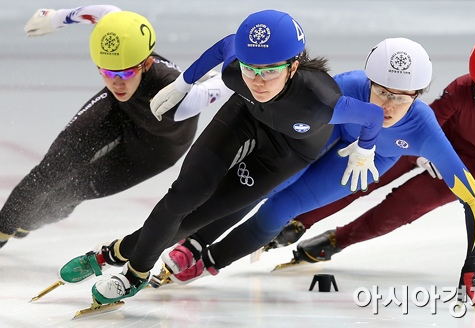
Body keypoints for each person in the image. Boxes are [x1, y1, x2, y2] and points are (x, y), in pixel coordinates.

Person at [58, 9, 385, 306]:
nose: (257, 80)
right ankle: (135, 275)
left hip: (287, 152)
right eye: (250, 69)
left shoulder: (321, 102)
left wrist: (365, 149)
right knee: (185, 193)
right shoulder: (236, 72)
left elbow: (371, 115)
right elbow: (225, 46)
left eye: (269, 71)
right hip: (246, 114)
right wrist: (183, 83)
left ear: (293, 67)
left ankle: (113, 254)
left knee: (200, 216)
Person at [155, 37, 475, 309]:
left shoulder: (424, 129)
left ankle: (212, 260)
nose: (386, 106)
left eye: (400, 98)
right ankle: (196, 240)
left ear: (419, 96)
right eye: (380, 92)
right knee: (265, 183)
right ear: (369, 82)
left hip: (370, 159)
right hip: (326, 133)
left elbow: (474, 201)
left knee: (282, 208)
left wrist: (472, 268)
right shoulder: (346, 86)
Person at [266, 31, 475, 307]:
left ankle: (335, 241)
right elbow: (431, 118)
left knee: (402, 209)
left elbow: (473, 202)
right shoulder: (462, 89)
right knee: (361, 179)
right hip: (428, 145)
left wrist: (472, 269)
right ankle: (298, 221)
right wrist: (422, 155)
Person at [0, 5, 233, 249]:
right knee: (53, 167)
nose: (117, 83)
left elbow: (231, 79)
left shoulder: (175, 95)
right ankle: (4, 226)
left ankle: (30, 221)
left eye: (127, 72)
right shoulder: (120, 40)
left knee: (77, 189)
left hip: (157, 147)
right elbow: (106, 13)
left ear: (146, 63)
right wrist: (54, 18)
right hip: (119, 112)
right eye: (108, 72)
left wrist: (211, 79)